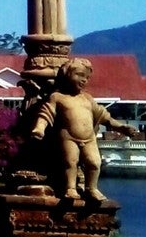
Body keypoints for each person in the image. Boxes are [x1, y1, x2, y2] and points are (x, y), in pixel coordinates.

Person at [30, 58, 135, 201]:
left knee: (94, 162)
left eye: (86, 77)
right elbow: (46, 113)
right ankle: (71, 188)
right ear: (67, 75)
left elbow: (104, 116)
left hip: (89, 137)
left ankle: (92, 188)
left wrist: (122, 127)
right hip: (68, 136)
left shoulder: (87, 98)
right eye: (79, 75)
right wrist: (40, 128)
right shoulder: (58, 97)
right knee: (70, 161)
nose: (84, 80)